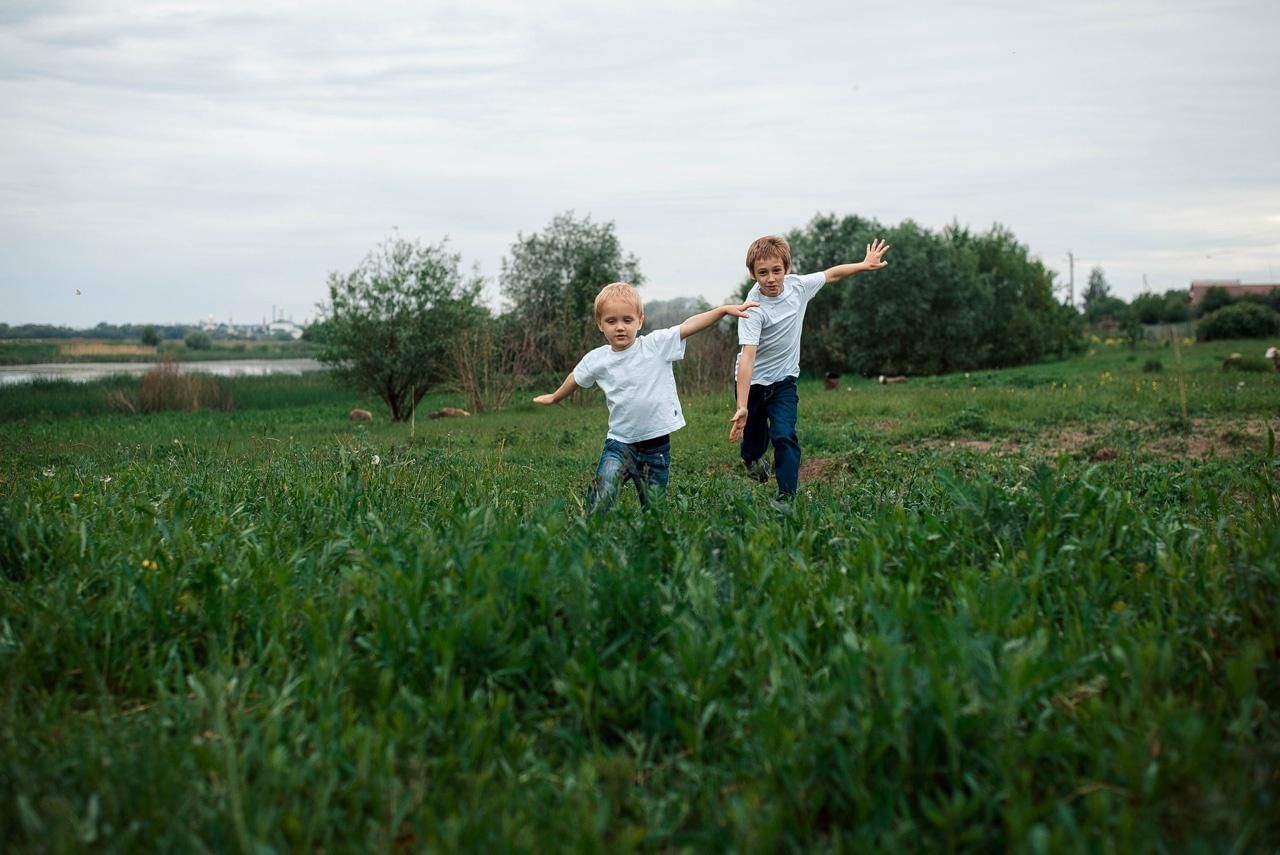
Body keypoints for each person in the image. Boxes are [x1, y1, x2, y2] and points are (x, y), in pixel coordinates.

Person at [535, 282, 758, 513]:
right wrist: (555, 397)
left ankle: (650, 542)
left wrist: (721, 311)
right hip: (619, 444)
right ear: (600, 324)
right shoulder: (596, 359)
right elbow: (575, 377)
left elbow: (688, 326)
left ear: (640, 321)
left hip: (656, 448)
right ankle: (590, 532)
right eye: (611, 321)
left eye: (627, 320)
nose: (620, 327)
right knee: (602, 495)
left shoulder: (655, 345)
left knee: (654, 510)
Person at [729, 235, 891, 507]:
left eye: (776, 271)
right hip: (752, 384)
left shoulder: (798, 287)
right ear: (752, 274)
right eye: (763, 273)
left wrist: (863, 265)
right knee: (754, 444)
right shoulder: (752, 308)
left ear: (787, 268)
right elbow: (747, 358)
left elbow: (831, 275)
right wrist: (742, 406)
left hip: (783, 383)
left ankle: (786, 498)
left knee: (784, 434)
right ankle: (752, 459)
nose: (770, 279)